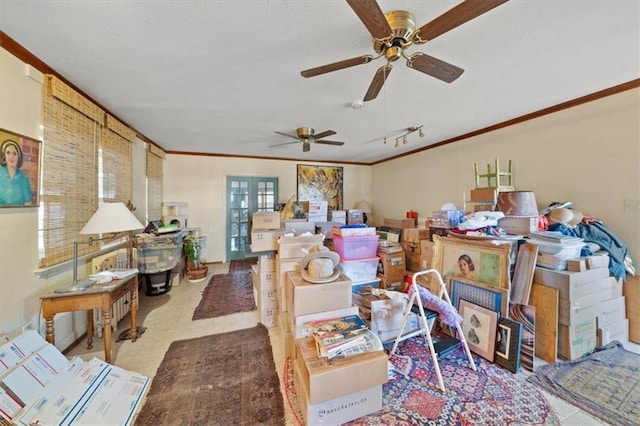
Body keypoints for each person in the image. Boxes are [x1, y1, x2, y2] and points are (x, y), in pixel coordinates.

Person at [0, 139, 33, 205]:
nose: (11, 157)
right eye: (8, 153)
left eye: (14, 154)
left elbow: (28, 203)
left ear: (19, 157)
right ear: (4, 155)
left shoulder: (24, 179)